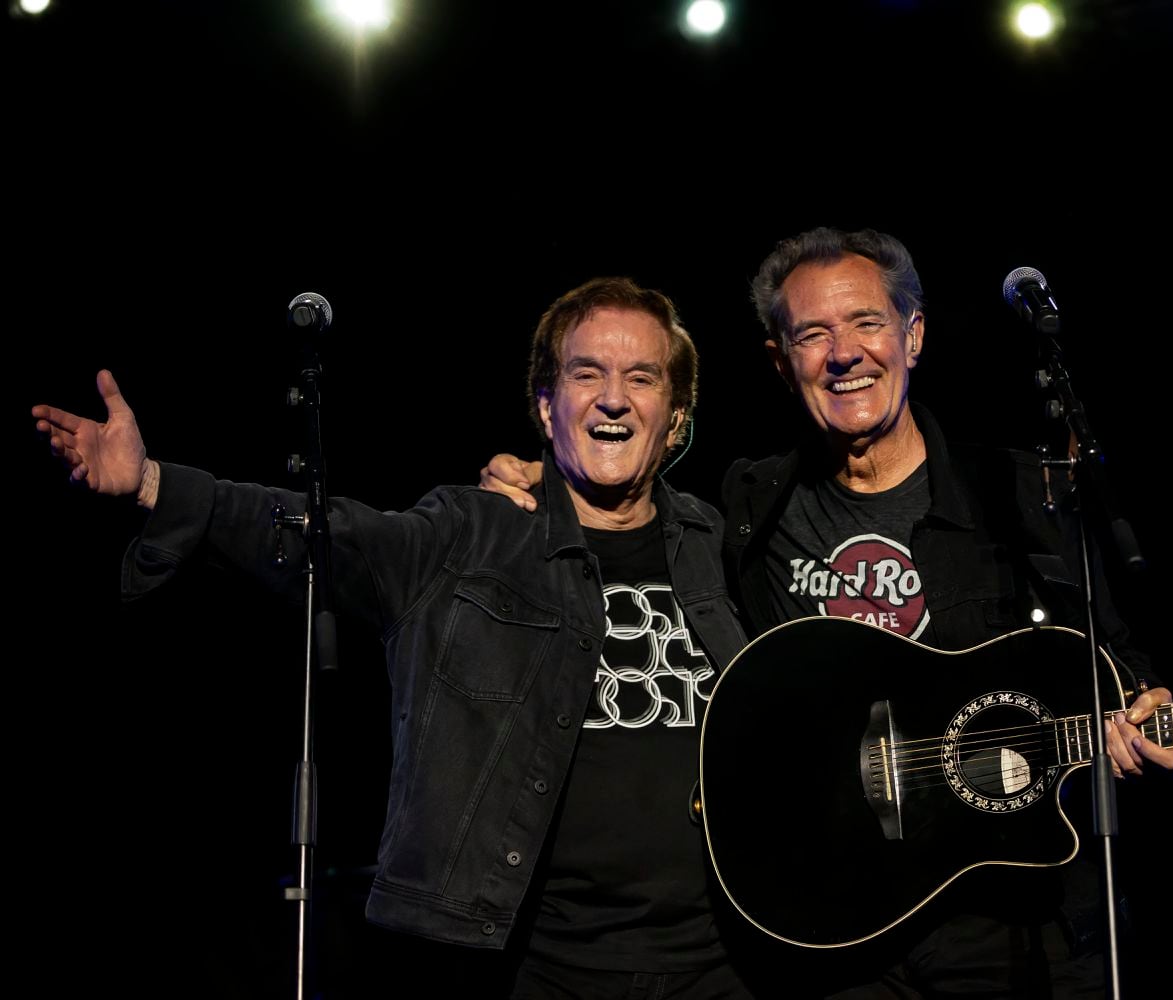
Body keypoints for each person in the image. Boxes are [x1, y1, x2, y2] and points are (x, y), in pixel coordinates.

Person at [481, 228, 1173, 997]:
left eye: (865, 324)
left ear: (912, 336)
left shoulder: (1021, 494)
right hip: (835, 933)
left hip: (1015, 925)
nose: (844, 353)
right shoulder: (747, 509)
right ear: (781, 363)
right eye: (813, 334)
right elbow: (625, 506)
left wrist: (1143, 711)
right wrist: (539, 478)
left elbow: (1120, 667)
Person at [33, 277, 761, 998]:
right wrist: (154, 483)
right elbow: (325, 534)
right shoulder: (471, 533)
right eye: (586, 373)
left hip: (718, 961)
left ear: (674, 419)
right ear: (546, 407)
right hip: (532, 967)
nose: (612, 397)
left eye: (641, 377)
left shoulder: (723, 542)